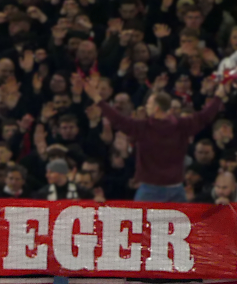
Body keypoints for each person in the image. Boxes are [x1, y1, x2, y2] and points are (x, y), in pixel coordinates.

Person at [92, 77, 228, 203]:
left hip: (150, 190)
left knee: (141, 221)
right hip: (176, 189)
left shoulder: (143, 127)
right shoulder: (182, 125)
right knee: (180, 222)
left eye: (149, 104)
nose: (146, 106)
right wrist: (218, 97)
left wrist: (98, 100)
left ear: (156, 108)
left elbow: (118, 120)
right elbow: (205, 116)